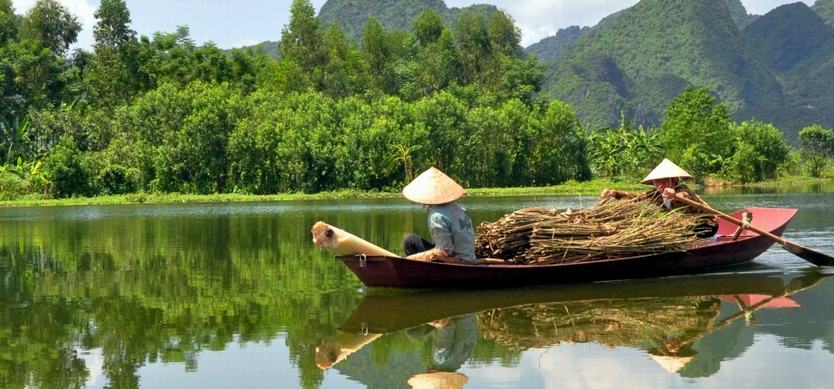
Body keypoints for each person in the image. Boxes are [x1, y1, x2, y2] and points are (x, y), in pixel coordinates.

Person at [600, 158, 718, 238]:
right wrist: (614, 193)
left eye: (666, 179)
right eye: (658, 180)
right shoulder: (654, 194)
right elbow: (635, 196)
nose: (662, 183)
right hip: (680, 228)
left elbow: (684, 196)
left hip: (706, 225)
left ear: (674, 180)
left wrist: (674, 196)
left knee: (673, 228)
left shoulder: (682, 190)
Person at [402, 167, 476, 262]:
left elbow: (445, 251)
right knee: (412, 240)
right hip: (469, 257)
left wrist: (412, 258)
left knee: (409, 243)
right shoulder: (458, 208)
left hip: (457, 261)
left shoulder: (436, 216)